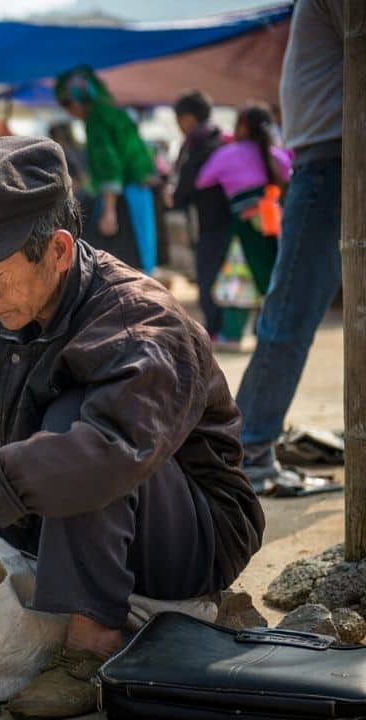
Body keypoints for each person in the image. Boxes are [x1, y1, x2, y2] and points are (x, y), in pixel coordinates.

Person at [0, 137, 264, 719]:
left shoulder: (138, 321)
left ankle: (92, 643)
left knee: (75, 427)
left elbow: (113, 447)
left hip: (188, 537)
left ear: (59, 250)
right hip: (59, 518)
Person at [234, 0, 344, 487]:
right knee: (288, 313)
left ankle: (249, 447)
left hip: (333, 157)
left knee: (287, 313)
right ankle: (248, 449)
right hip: (332, 157)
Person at [195, 104, 292, 347]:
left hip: (243, 226)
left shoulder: (228, 153)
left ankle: (232, 334)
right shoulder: (275, 154)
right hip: (271, 223)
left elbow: (202, 180)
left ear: (242, 126)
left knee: (237, 278)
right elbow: (290, 173)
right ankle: (268, 330)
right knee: (271, 275)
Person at [55, 66, 158, 274]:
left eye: (68, 102)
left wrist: (109, 212)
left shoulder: (96, 119)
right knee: (140, 260)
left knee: (119, 267)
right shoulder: (116, 112)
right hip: (139, 194)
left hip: (122, 199)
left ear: (81, 97)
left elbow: (109, 164)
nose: (68, 110)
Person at [168, 90, 233, 340]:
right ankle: (219, 328)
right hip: (219, 220)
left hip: (213, 223)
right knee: (213, 275)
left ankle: (215, 330)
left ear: (188, 119)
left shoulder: (202, 145)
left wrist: (174, 196)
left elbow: (186, 185)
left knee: (208, 277)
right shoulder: (216, 139)